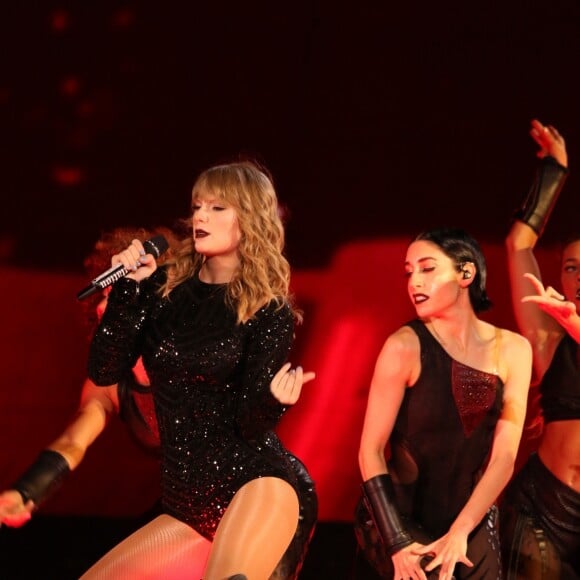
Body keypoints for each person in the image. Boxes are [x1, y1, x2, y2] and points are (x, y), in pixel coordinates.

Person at [0, 221, 315, 580]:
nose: (120, 316)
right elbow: (74, 441)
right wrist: (27, 492)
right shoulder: (110, 386)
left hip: (260, 494)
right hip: (193, 505)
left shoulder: (200, 354)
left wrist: (272, 396)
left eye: (130, 303)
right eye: (111, 311)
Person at [79, 160, 317, 579]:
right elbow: (104, 368)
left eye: (217, 207)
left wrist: (274, 402)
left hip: (258, 485)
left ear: (250, 219)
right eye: (198, 206)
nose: (200, 216)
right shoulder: (162, 288)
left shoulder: (267, 310)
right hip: (188, 501)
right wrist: (128, 291)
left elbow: (248, 424)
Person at [354, 227, 532, 580]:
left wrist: (462, 530)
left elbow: (504, 457)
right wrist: (396, 542)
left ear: (466, 273)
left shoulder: (513, 350)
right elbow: (369, 451)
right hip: (396, 520)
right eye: (409, 272)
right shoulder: (404, 346)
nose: (414, 282)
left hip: (470, 518)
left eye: (427, 268)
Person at [501, 119, 580, 578]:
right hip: (543, 511)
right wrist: (554, 174)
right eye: (571, 267)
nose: (579, 277)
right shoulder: (549, 339)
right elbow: (517, 246)